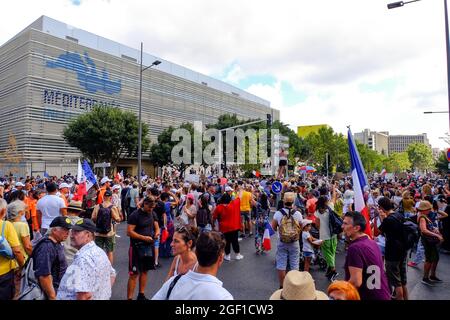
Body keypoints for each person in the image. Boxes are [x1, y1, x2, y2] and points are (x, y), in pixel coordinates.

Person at [152, 231, 233, 300]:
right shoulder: (224, 297)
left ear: (196, 253)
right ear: (221, 258)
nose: (171, 244)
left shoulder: (173, 282)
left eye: (176, 241)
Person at [57, 219, 116, 300]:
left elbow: (84, 295)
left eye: (76, 232)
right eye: (72, 231)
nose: (71, 235)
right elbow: (112, 275)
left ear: (88, 235)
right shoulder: (99, 251)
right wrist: (100, 293)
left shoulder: (83, 259)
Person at [342, 211, 391, 300]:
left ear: (356, 228)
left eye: (345, 224)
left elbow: (355, 282)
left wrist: (339, 291)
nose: (342, 226)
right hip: (381, 293)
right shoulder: (372, 243)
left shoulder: (355, 248)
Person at [127, 196, 160, 300]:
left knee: (145, 271)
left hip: (148, 247)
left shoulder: (152, 213)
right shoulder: (135, 215)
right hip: (136, 247)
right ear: (144, 204)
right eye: (149, 207)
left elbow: (157, 227)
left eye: (152, 208)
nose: (151, 209)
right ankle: (129, 298)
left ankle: (141, 295)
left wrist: (157, 233)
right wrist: (143, 238)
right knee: (134, 274)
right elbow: (129, 232)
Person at [32, 216, 71, 300]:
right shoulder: (47, 247)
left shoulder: (56, 242)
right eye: (64, 230)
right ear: (54, 230)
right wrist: (52, 297)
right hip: (50, 293)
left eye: (68, 230)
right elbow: (44, 275)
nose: (67, 233)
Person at [377, 197, 408, 300]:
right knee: (402, 280)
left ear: (381, 207)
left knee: (396, 282)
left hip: (392, 253)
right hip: (403, 251)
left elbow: (380, 231)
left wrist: (382, 217)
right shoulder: (399, 215)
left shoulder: (389, 219)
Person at [271, 192, 303, 288]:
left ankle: (282, 286)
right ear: (293, 201)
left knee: (281, 264)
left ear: (283, 201)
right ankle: (293, 286)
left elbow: (273, 227)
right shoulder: (298, 214)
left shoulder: (278, 213)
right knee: (294, 264)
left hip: (282, 241)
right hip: (294, 242)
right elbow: (300, 227)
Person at [0, 199, 26, 300]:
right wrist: (22, 266)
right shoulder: (6, 225)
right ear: (2, 211)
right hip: (3, 273)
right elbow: (17, 251)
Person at [6, 201, 33, 299]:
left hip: (8, 261)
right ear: (21, 212)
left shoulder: (6, 224)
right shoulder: (22, 225)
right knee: (18, 290)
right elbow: (27, 246)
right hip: (20, 261)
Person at [416, 200, 444, 285]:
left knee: (435, 258)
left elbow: (427, 228)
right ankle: (425, 278)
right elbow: (424, 230)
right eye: (428, 209)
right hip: (427, 241)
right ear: (424, 209)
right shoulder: (422, 217)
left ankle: (432, 276)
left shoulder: (424, 216)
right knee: (429, 259)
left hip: (429, 240)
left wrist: (434, 230)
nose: (429, 210)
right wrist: (437, 235)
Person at [91, 189, 121, 264]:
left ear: (103, 197)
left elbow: (93, 218)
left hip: (98, 232)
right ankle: (109, 269)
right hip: (109, 233)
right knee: (109, 252)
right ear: (111, 197)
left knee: (98, 252)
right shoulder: (112, 207)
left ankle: (98, 266)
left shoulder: (97, 206)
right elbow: (117, 219)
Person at [212, 193, 243, 261]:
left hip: (224, 228)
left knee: (226, 242)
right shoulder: (234, 204)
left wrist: (213, 225)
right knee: (235, 241)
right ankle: (237, 254)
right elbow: (240, 197)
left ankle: (227, 255)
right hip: (234, 227)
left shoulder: (219, 207)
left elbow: (214, 217)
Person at [314, 195, 339, 281]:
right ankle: (330, 271)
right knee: (332, 253)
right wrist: (334, 188)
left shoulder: (317, 212)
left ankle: (333, 269)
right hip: (333, 234)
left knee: (327, 254)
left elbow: (317, 225)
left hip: (324, 236)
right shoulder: (330, 207)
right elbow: (334, 198)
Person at [62, 200, 84, 265]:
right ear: (79, 212)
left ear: (68, 210)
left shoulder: (59, 221)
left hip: (60, 257)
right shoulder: (84, 223)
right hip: (78, 258)